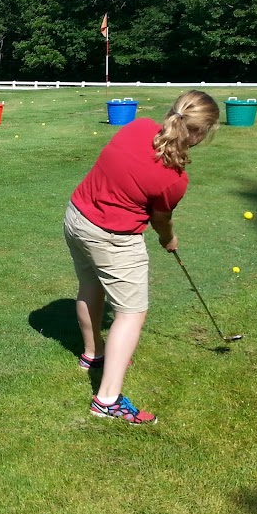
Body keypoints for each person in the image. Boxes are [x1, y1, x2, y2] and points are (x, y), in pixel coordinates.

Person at [64, 90, 220, 424]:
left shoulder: (137, 127)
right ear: (201, 133)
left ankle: (93, 354)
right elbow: (160, 220)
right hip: (112, 238)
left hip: (77, 218)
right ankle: (107, 401)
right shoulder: (174, 179)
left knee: (90, 286)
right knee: (131, 313)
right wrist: (169, 239)